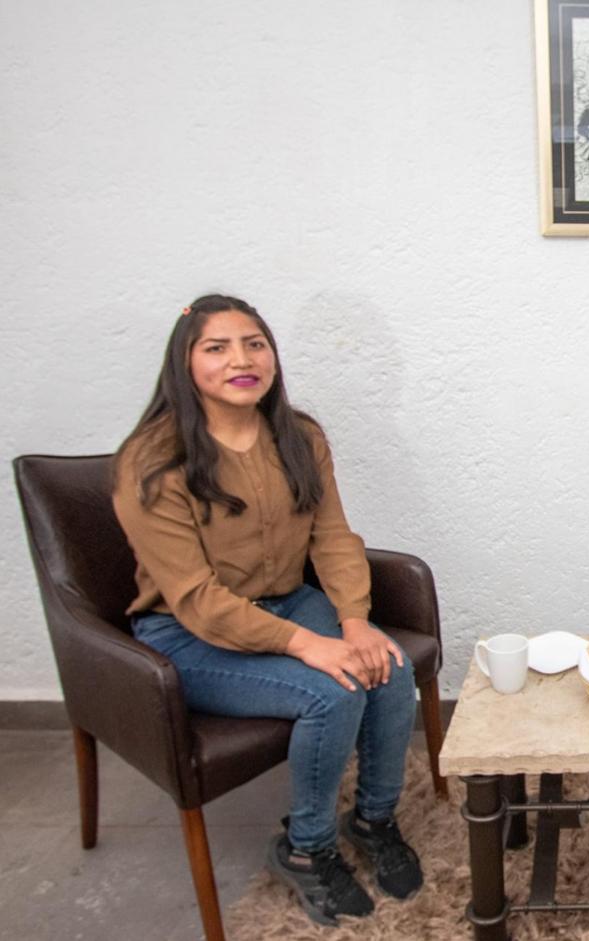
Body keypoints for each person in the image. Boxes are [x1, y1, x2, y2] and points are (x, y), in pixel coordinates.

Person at [112, 294, 422, 927]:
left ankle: (373, 820)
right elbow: (198, 600)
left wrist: (354, 622)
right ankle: (306, 848)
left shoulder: (300, 436)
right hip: (187, 632)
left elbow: (332, 536)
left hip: (289, 599)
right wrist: (310, 645)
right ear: (185, 362)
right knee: (333, 692)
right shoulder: (152, 460)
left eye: (254, 344)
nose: (241, 360)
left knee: (389, 668)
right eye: (217, 348)